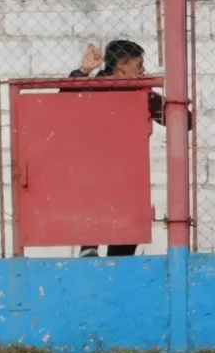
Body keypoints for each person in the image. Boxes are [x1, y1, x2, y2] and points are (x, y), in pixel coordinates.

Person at [70, 40, 190, 258]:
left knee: (126, 235)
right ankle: (89, 249)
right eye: (139, 64)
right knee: (97, 206)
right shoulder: (94, 87)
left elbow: (183, 122)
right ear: (123, 65)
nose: (143, 70)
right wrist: (83, 71)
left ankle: (115, 265)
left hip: (127, 173)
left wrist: (175, 102)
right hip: (96, 169)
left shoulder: (140, 92)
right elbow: (64, 100)